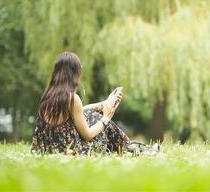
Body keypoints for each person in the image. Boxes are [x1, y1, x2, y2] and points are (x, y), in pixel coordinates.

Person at [31, 52, 159, 155]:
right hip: (70, 151)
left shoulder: (48, 96)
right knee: (99, 120)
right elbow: (87, 135)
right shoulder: (72, 99)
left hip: (48, 149)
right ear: (74, 73)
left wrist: (103, 104)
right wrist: (107, 117)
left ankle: (131, 148)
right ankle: (134, 149)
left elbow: (76, 115)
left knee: (90, 113)